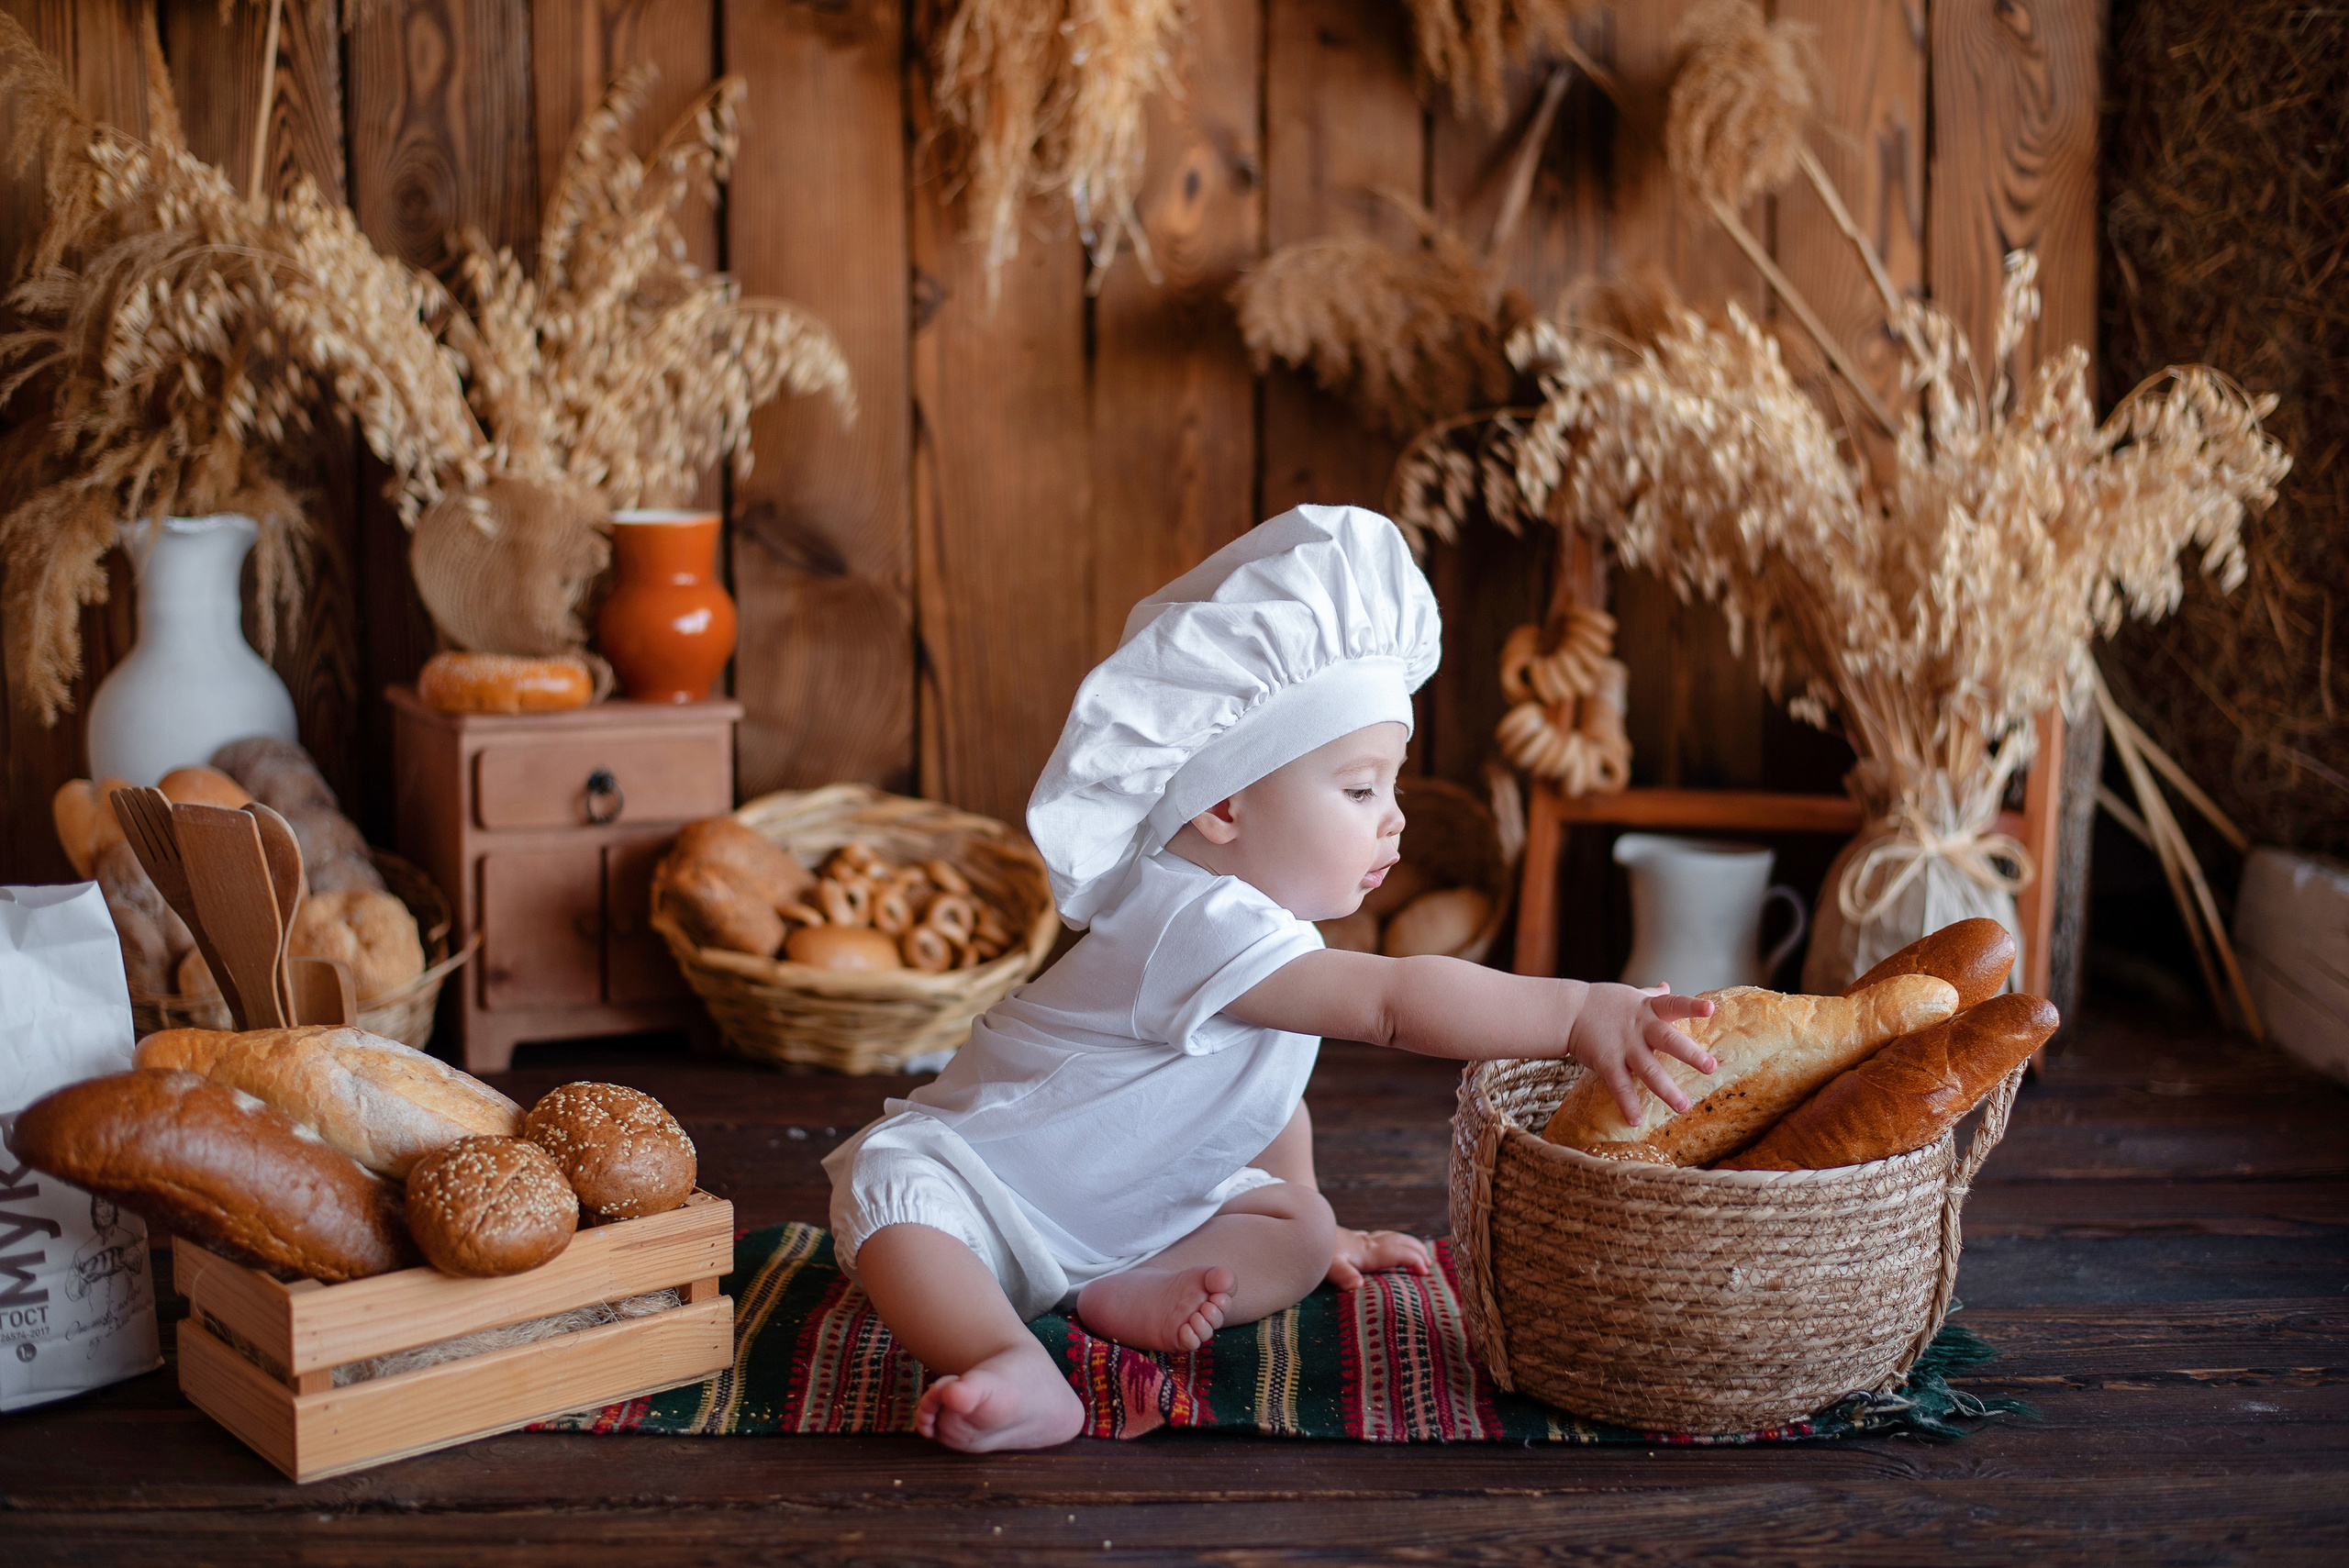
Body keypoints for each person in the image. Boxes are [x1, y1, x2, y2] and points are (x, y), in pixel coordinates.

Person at [825, 505, 1718, 1451]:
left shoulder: (1266, 930)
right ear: (1223, 802)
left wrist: (1306, 1217)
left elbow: (1264, 1103)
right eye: (1360, 787)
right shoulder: (1190, 917)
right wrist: (1578, 1007)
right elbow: (1394, 1001)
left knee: (1295, 1226)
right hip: (989, 1189)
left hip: (1136, 1210)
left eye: (1394, 785)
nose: (1394, 821)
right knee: (894, 1186)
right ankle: (1003, 1353)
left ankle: (1109, 1286)